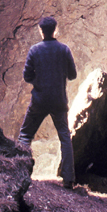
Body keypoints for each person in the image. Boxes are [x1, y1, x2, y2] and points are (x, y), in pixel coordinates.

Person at [18, 15, 77, 188]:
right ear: (55, 30)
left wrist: (39, 81)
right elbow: (72, 75)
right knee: (65, 137)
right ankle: (68, 179)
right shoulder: (64, 49)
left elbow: (27, 75)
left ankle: (20, 174)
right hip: (59, 100)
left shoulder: (34, 50)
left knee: (25, 135)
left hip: (39, 99)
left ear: (40, 31)